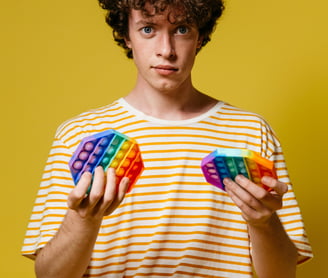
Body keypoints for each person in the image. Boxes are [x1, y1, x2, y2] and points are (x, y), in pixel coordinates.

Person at [22, 0, 313, 277]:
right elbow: (49, 275)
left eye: (182, 29)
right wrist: (83, 220)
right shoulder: (78, 134)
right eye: (148, 29)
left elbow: (282, 274)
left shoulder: (251, 131)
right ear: (127, 36)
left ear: (200, 37)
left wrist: (263, 223)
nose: (166, 50)